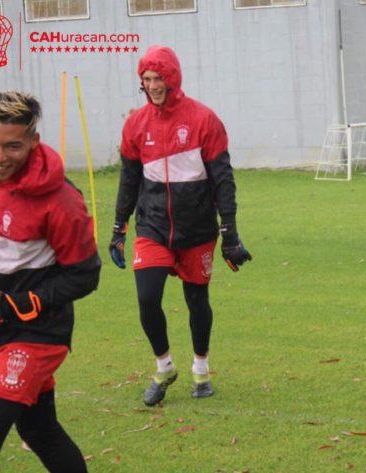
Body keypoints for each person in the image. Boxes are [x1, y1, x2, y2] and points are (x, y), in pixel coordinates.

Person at [0, 91, 100, 472]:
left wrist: (21, 303)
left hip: (38, 334)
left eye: (12, 146)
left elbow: (86, 275)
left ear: (33, 142)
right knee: (39, 430)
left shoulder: (61, 201)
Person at [109, 45, 251, 406]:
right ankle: (164, 366)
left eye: (159, 78)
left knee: (196, 300)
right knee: (146, 298)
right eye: (147, 79)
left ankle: (201, 368)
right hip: (153, 228)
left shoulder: (204, 120)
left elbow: (223, 180)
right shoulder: (136, 125)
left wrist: (229, 232)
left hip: (197, 231)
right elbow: (128, 179)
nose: (153, 85)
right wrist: (118, 227)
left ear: (173, 78)